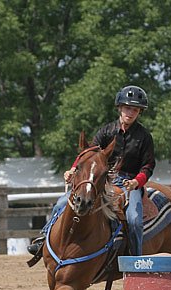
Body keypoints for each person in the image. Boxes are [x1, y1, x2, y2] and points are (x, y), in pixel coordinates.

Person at [27, 85, 155, 257]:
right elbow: (87, 154)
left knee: (134, 219)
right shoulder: (106, 131)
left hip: (129, 185)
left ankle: (135, 259)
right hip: (101, 181)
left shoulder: (144, 137)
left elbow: (148, 166)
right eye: (127, 108)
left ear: (140, 112)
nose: (130, 113)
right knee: (60, 203)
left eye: (135, 110)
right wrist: (72, 169)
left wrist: (136, 182)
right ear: (119, 108)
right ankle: (43, 239)